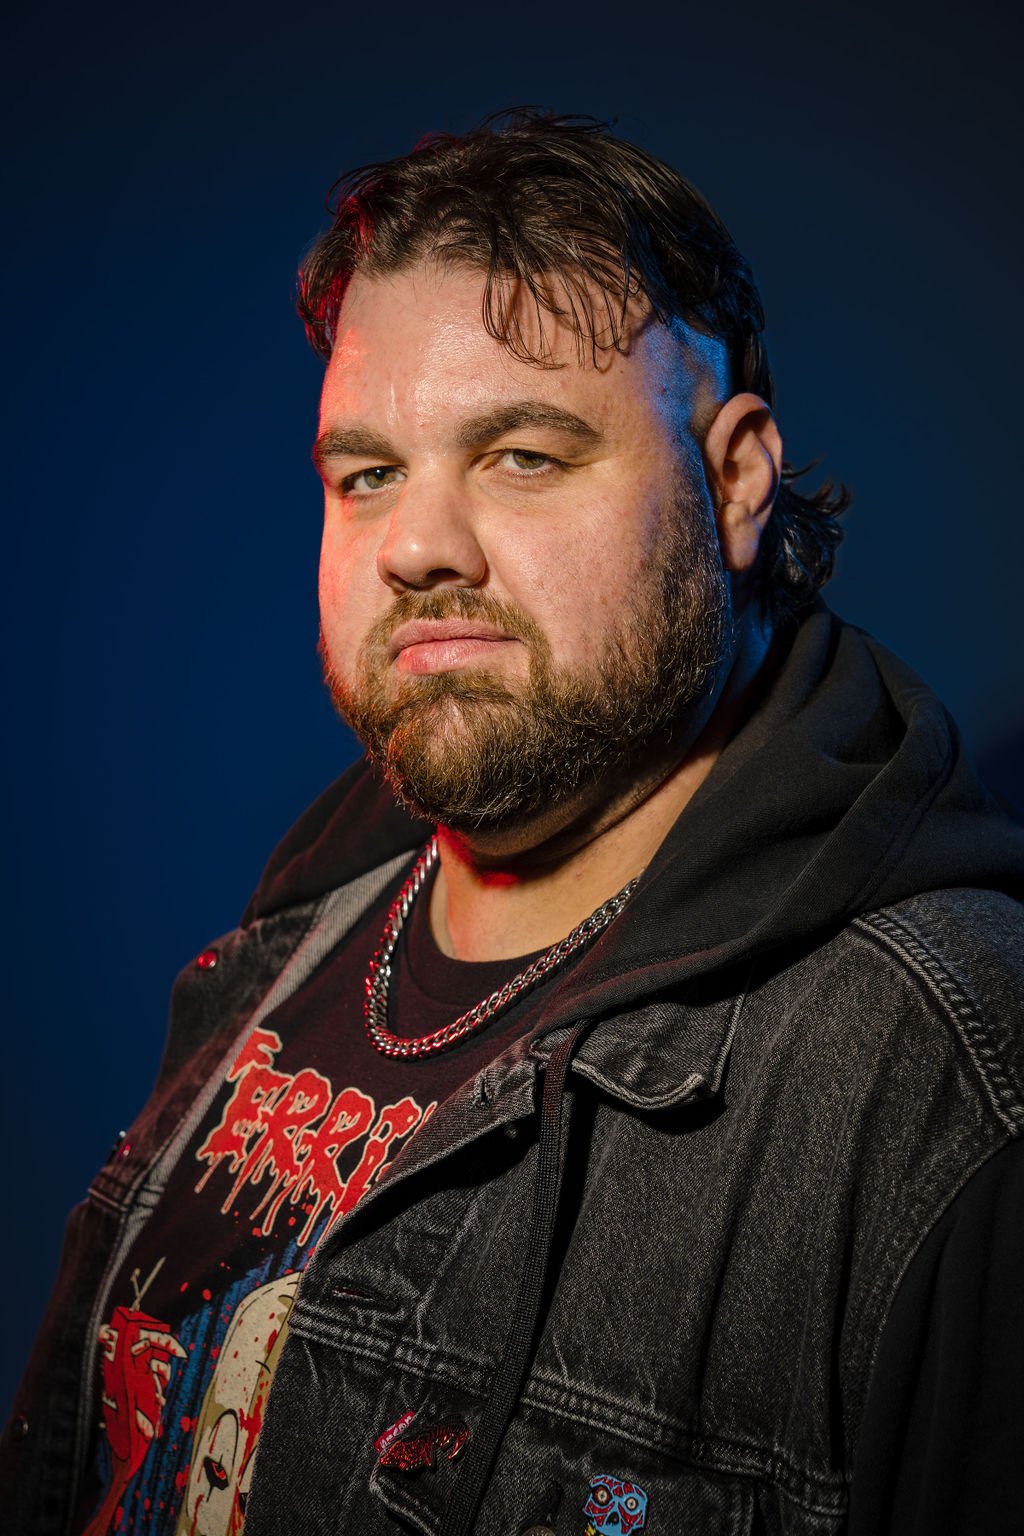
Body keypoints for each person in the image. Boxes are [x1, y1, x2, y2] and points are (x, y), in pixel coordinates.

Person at [3, 109, 1023, 1536]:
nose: (416, 544)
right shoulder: (300, 930)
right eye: (367, 474)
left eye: (524, 455)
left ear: (734, 480)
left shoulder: (938, 1077)